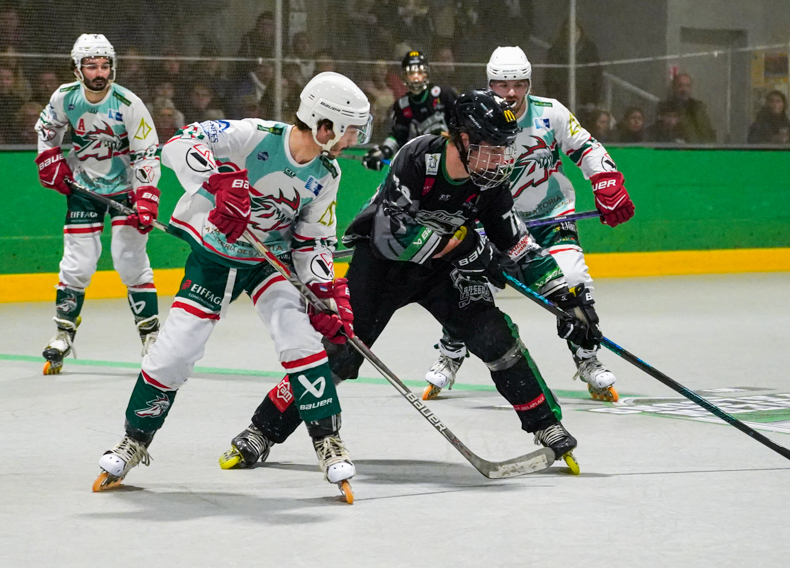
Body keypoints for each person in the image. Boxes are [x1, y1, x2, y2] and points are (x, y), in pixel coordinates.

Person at [220, 89, 601, 473]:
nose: (501, 160)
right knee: (340, 350)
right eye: (491, 148)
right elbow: (393, 237)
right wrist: (467, 246)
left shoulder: (490, 183)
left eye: (504, 149)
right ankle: (262, 430)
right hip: (382, 267)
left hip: (442, 272)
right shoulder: (420, 157)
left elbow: (518, 245)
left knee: (494, 336)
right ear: (463, 139)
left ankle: (547, 425)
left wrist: (566, 298)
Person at [92, 72, 372, 501]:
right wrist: (220, 179)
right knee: (175, 350)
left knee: (300, 339)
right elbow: (178, 144)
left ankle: (328, 441)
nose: (355, 137)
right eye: (350, 128)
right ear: (323, 124)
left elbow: (313, 239)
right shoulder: (252, 135)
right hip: (214, 259)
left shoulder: (327, 172)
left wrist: (324, 295)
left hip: (267, 262)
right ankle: (134, 440)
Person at [422, 47, 634, 401]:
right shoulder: (474, 120)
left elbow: (585, 146)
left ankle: (587, 357)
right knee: (467, 286)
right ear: (490, 84)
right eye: (502, 84)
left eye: (518, 84)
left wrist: (606, 179)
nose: (510, 93)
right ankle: (451, 352)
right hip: (494, 224)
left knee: (571, 281)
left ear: (528, 84)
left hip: (550, 217)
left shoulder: (551, 113)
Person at [34, 34, 162, 375]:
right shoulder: (65, 98)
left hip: (126, 191)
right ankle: (62, 333)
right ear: (77, 69)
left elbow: (147, 153)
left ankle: (150, 335)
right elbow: (47, 130)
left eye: (105, 65)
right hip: (84, 186)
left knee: (129, 260)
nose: (99, 72)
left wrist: (146, 194)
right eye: (91, 65)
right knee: (78, 262)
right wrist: (49, 159)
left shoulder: (129, 103)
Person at [362, 50, 457, 170]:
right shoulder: (402, 105)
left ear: (426, 73)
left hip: (451, 159)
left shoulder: (444, 95)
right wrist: (383, 152)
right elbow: (398, 135)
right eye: (411, 73)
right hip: (423, 163)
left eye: (420, 72)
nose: (416, 77)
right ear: (404, 76)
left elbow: (463, 122)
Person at [659, 73, 716, 143]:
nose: (684, 89)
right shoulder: (666, 107)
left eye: (687, 86)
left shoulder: (698, 107)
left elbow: (708, 132)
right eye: (680, 86)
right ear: (673, 88)